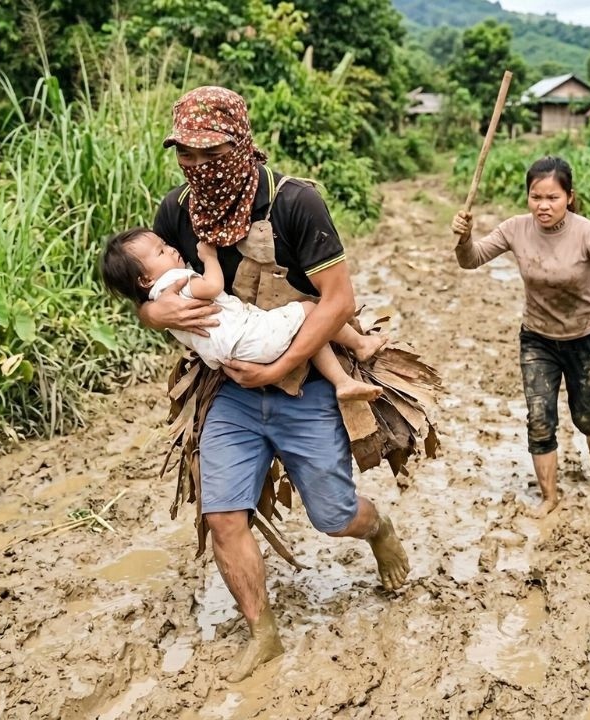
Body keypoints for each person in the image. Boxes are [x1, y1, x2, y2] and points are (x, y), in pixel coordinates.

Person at [133, 86, 411, 682]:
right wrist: (150, 313)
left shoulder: (294, 203)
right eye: (185, 154)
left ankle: (378, 528)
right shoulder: (176, 212)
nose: (197, 167)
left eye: (211, 155)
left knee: (333, 516)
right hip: (228, 388)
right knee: (224, 513)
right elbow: (149, 289)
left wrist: (283, 367)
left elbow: (338, 301)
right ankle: (263, 633)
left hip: (305, 379)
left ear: (241, 143)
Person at [450, 156, 590, 516]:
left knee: (586, 414)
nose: (543, 206)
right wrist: (464, 238)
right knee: (539, 417)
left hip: (585, 338)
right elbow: (470, 260)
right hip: (537, 339)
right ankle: (549, 496)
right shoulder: (516, 229)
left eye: (552, 198)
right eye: (536, 197)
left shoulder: (587, 232)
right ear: (527, 197)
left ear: (569, 197)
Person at [99, 229, 387, 401]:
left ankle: (343, 382)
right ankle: (359, 348)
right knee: (312, 313)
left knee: (303, 326)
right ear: (144, 280)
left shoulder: (161, 297)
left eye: (166, 244)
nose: (172, 249)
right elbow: (213, 286)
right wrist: (209, 258)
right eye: (161, 251)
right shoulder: (178, 282)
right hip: (251, 338)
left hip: (233, 359)